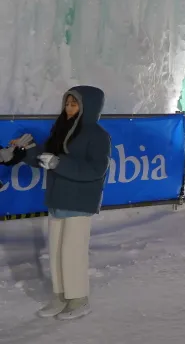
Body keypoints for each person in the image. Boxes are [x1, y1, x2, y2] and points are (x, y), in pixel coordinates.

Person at [23, 86, 111, 320]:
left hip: (79, 202)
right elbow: (46, 157)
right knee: (56, 251)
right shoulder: (61, 128)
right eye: (67, 103)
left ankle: (79, 299)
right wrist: (26, 152)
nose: (69, 108)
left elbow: (96, 169)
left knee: (73, 252)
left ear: (88, 107)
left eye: (74, 104)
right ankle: (60, 295)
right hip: (58, 199)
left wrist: (59, 164)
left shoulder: (98, 135)